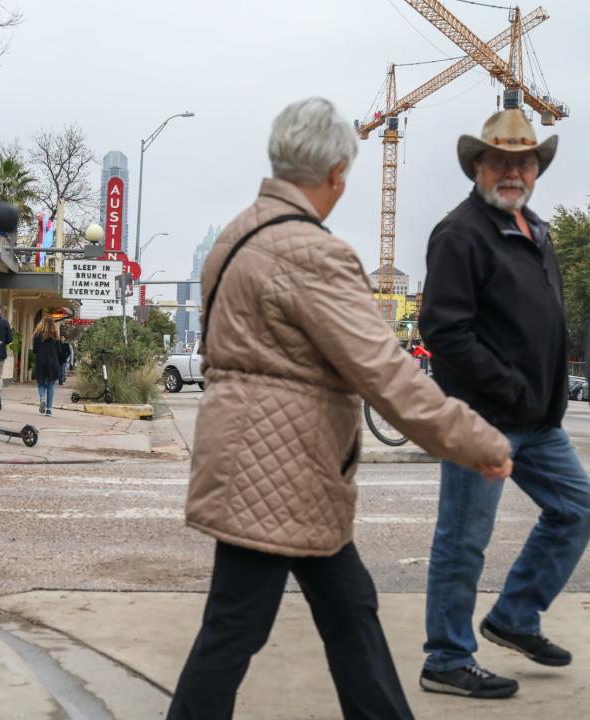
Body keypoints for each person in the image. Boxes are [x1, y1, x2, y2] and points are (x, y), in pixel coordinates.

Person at [166, 97, 513, 720]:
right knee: (236, 629)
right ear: (334, 174)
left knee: (349, 612)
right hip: (278, 469)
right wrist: (477, 439)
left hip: (268, 462)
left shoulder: (235, 235)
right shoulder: (312, 252)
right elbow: (385, 372)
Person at [418, 108, 590, 699]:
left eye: (524, 160)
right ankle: (445, 657)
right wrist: (512, 386)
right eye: (500, 160)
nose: (512, 170)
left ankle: (516, 615)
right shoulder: (460, 233)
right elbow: (444, 330)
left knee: (577, 508)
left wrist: (544, 395)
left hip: (539, 423)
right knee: (463, 539)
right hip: (480, 419)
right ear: (478, 166)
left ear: (537, 168)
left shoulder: (534, 228)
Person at [32, 316, 62, 416]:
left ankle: (42, 399)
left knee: (41, 383)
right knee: (51, 385)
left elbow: (35, 350)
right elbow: (59, 352)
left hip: (41, 362)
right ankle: (49, 410)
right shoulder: (56, 337)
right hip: (53, 363)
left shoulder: (37, 335)